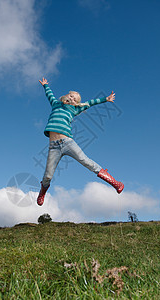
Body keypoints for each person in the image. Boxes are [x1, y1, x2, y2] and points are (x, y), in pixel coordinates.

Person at [37, 77, 124, 206]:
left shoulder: (74, 110)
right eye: (71, 96)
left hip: (67, 142)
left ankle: (115, 183)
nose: (72, 99)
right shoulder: (55, 104)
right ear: (67, 95)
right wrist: (45, 85)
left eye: (75, 99)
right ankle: (42, 192)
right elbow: (49, 94)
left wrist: (106, 99)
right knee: (48, 176)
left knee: (86, 161)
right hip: (53, 147)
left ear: (76, 103)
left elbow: (91, 103)